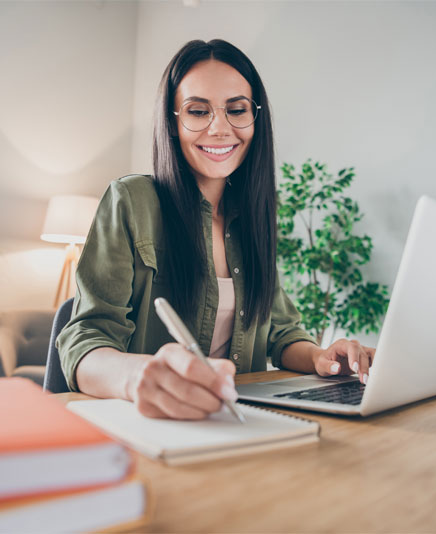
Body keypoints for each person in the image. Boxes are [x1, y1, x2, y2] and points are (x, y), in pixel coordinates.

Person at [57, 39, 375, 420]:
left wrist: (321, 356)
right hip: (150, 423)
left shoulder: (254, 215)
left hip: (239, 421)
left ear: (255, 119)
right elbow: (86, 338)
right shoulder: (131, 201)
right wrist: (135, 376)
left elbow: (281, 332)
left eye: (237, 110)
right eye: (197, 111)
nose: (220, 128)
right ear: (173, 123)